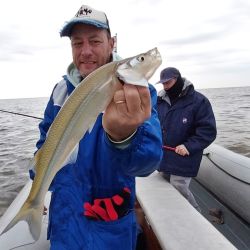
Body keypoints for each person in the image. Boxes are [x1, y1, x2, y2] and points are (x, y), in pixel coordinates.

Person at [29, 5, 162, 250]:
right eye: (77, 43)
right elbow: (43, 146)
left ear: (112, 43)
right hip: (64, 227)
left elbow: (148, 163)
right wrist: (40, 187)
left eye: (94, 41)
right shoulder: (59, 93)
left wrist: (125, 137)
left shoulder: (137, 91)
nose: (86, 51)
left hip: (109, 233)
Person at [156, 67, 217, 212]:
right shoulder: (159, 101)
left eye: (168, 83)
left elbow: (208, 131)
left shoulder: (199, 101)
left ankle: (195, 213)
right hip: (164, 155)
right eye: (163, 84)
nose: (165, 87)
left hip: (185, 156)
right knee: (164, 184)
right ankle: (173, 211)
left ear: (178, 79)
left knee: (179, 185)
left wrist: (188, 147)